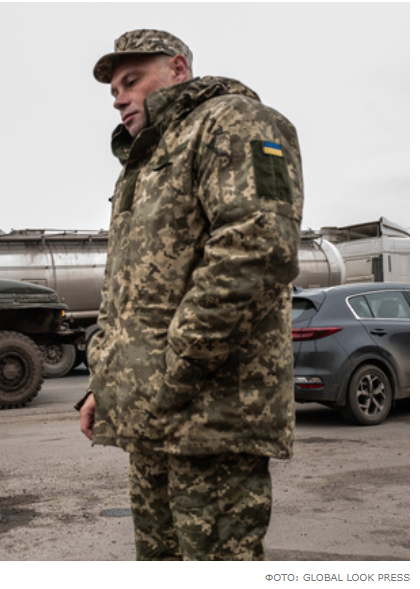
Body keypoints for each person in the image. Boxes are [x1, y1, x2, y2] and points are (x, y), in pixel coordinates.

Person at [77, 29, 304, 561]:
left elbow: (256, 248)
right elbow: (128, 293)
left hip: (211, 419)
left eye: (132, 81)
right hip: (152, 419)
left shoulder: (233, 122)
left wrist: (177, 367)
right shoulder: (146, 161)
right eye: (114, 91)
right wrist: (102, 385)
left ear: (178, 69)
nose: (120, 98)